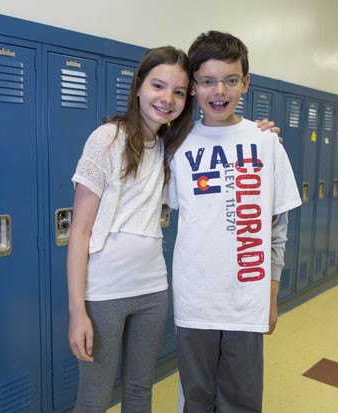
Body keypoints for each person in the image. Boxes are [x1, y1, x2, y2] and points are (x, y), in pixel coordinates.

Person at [67, 45, 280, 412]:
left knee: (139, 390)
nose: (167, 99)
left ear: (188, 97)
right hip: (103, 291)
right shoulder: (106, 139)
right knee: (95, 397)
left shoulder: (170, 145)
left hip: (152, 289)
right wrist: (77, 312)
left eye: (178, 91)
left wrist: (259, 131)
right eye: (158, 86)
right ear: (138, 87)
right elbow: (80, 232)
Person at [166, 31, 302, 412]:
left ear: (245, 82)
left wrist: (271, 296)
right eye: (207, 81)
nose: (218, 91)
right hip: (195, 300)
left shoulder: (265, 143)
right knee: (196, 399)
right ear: (193, 86)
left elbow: (277, 229)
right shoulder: (177, 144)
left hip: (247, 301)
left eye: (229, 80)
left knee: (241, 401)